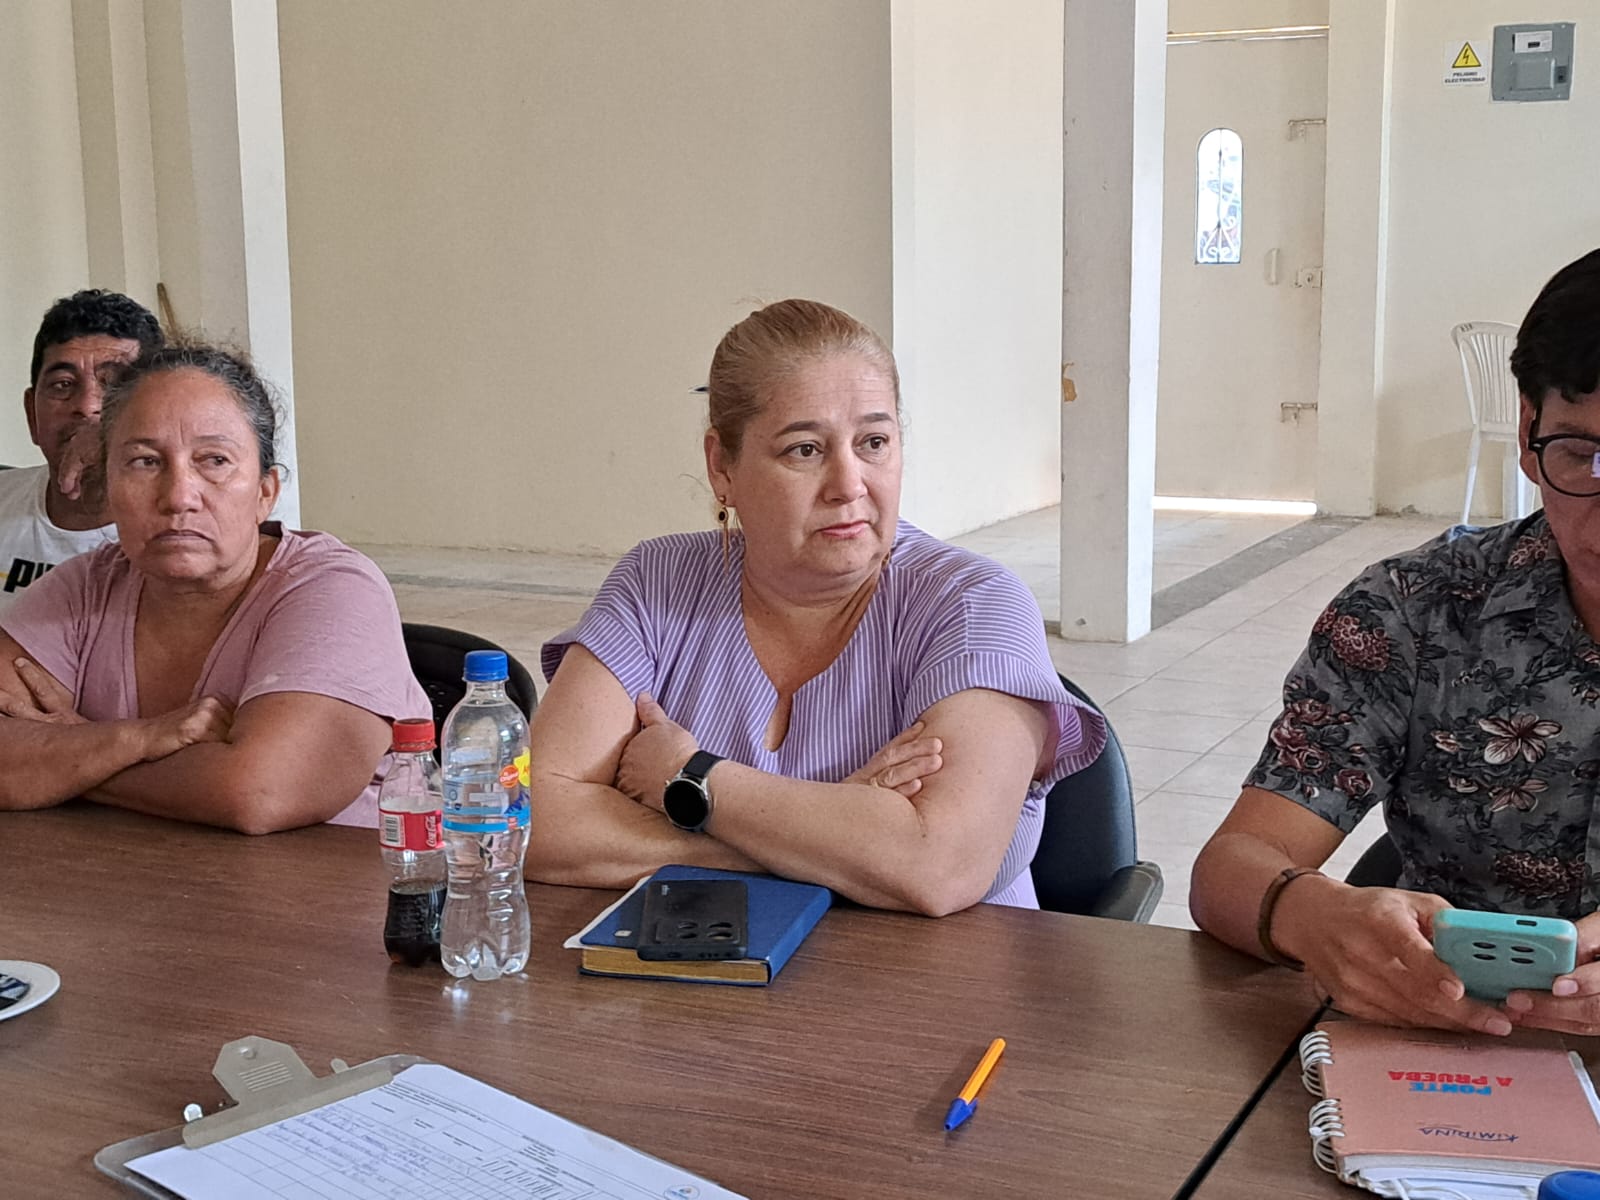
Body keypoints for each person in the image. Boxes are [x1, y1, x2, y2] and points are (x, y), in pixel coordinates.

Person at [526, 299, 1107, 915]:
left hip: (942, 975)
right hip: (695, 968)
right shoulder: (656, 583)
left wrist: (691, 779)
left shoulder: (974, 603)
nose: (849, 485)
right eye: (804, 450)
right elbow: (531, 820)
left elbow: (938, 866)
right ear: (722, 467)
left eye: (874, 443)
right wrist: (825, 839)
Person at [1190, 248, 1600, 1038]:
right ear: (1528, 431)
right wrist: (1312, 914)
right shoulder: (1414, 611)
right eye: (1584, 457)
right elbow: (1232, 865)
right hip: (1446, 1053)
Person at [0, 341, 430, 833]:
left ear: (265, 492)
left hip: (337, 880)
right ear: (110, 488)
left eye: (215, 460)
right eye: (144, 461)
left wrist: (75, 751)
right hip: (117, 875)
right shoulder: (84, 586)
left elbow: (260, 791)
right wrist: (138, 740)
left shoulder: (334, 589)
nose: (179, 496)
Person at [0, 290, 164, 607]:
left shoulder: (182, 529)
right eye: (63, 384)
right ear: (32, 414)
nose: (87, 407)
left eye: (113, 384)